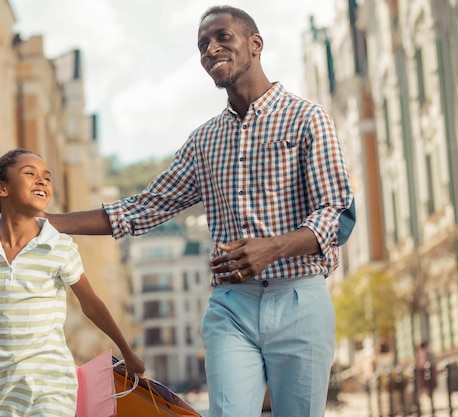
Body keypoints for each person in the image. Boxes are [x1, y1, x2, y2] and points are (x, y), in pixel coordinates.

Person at [43, 5, 355, 417]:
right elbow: (141, 209)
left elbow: (338, 214)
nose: (211, 49)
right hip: (231, 307)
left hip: (298, 298)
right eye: (203, 44)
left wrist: (272, 249)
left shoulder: (306, 119)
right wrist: (46, 224)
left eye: (223, 37)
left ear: (255, 44)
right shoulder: (204, 141)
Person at [0, 149, 145, 417]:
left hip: (51, 381)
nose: (42, 181)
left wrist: (127, 352)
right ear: (1, 188)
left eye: (47, 178)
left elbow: (91, 304)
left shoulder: (60, 246)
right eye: (30, 174)